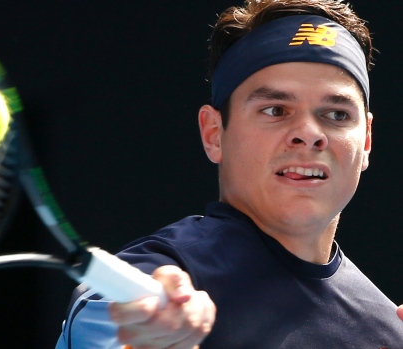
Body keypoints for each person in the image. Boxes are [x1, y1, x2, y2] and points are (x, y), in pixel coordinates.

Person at [55, 0, 403, 348]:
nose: (310, 133)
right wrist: (141, 334)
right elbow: (109, 325)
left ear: (367, 141)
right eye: (275, 110)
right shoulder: (150, 285)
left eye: (337, 115)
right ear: (214, 134)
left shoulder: (387, 327)